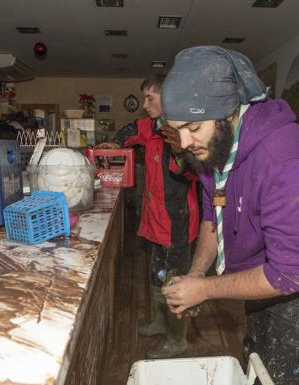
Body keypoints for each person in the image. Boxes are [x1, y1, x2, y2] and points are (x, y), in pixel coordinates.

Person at [160, 46, 299, 384]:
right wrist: (196, 274)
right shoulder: (216, 146)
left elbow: (289, 276)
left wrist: (206, 289)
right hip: (267, 265)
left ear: (227, 113)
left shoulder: (287, 161)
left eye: (193, 127)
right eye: (175, 128)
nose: (183, 142)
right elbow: (214, 213)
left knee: (285, 373)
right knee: (257, 358)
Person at [98, 74, 199, 359]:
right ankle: (159, 322)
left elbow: (192, 171)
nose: (144, 104)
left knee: (175, 283)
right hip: (154, 220)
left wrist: (180, 151)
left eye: (150, 98)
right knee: (156, 275)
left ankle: (177, 339)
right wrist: (113, 143)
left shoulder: (184, 132)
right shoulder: (152, 127)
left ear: (166, 98)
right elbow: (131, 129)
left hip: (176, 223)